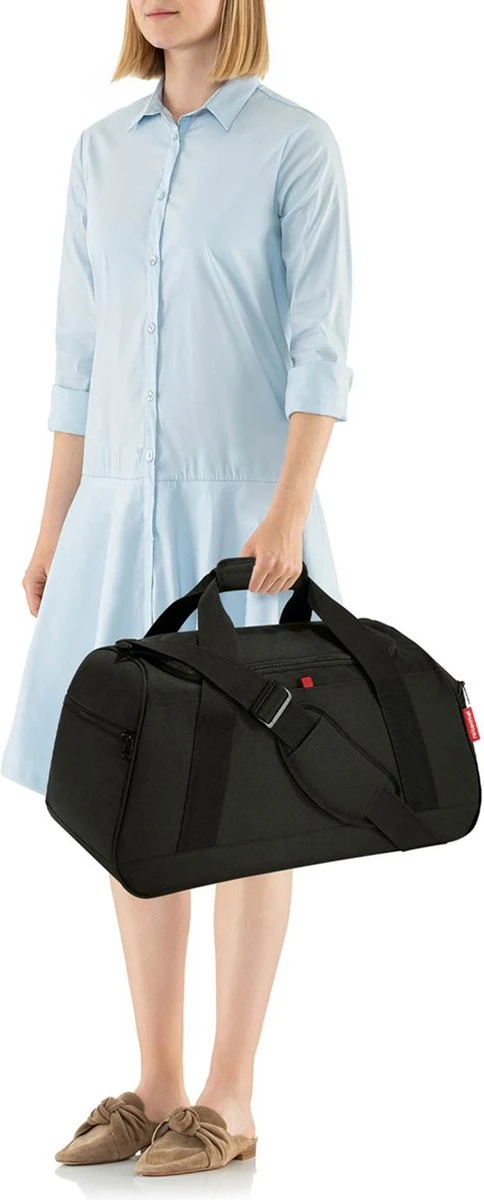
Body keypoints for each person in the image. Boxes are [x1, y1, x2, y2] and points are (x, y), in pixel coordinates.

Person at [0, 0, 353, 1176]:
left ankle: (230, 1096)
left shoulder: (295, 145)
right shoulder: (98, 153)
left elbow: (319, 348)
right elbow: (76, 357)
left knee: (253, 805)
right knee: (129, 793)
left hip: (242, 524)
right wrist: (54, 522)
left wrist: (288, 509)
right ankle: (155, 1087)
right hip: (115, 517)